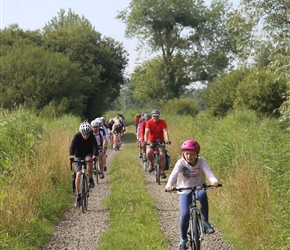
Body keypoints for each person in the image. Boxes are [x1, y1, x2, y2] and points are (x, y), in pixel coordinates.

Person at [165, 140, 219, 250]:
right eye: (186, 153)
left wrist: (214, 181)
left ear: (197, 154)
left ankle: (205, 223)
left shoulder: (201, 161)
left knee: (203, 194)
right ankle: (183, 240)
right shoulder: (180, 163)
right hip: (184, 190)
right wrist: (169, 185)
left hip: (199, 187)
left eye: (192, 153)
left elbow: (209, 172)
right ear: (183, 154)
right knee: (185, 215)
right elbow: (173, 175)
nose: (189, 156)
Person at [69, 122, 98, 207]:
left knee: (89, 160)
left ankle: (90, 179)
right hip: (79, 155)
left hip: (88, 153)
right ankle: (78, 195)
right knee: (78, 174)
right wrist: (71, 156)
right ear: (81, 133)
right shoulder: (77, 136)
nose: (85, 136)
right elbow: (72, 147)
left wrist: (94, 155)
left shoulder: (92, 136)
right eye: (84, 134)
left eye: (87, 134)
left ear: (89, 132)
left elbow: (95, 147)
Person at [143, 109, 171, 178]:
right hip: (151, 141)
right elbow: (147, 132)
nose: (155, 117)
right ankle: (151, 163)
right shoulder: (149, 122)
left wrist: (167, 140)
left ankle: (162, 171)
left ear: (159, 116)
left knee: (162, 155)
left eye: (157, 116)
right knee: (149, 151)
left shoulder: (162, 122)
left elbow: (165, 131)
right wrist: (146, 140)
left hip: (160, 141)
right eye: (154, 116)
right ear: (152, 116)